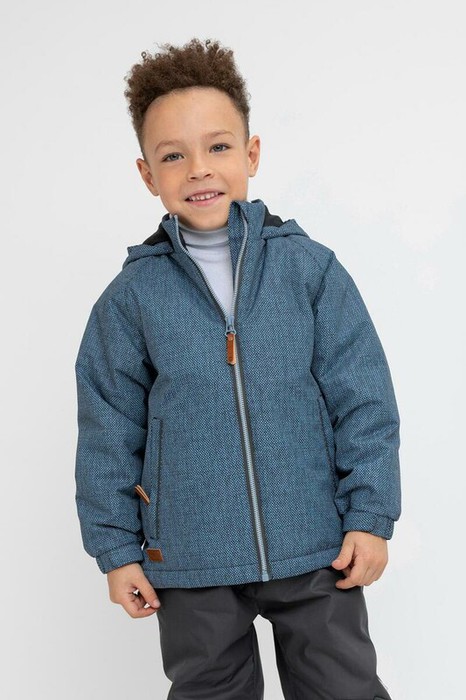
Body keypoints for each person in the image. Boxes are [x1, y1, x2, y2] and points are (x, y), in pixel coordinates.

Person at [74, 37, 400, 700]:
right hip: (191, 558)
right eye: (173, 155)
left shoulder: (310, 271)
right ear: (147, 174)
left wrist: (369, 515)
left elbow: (363, 401)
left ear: (251, 154)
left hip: (317, 546)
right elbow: (107, 431)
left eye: (218, 147)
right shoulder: (131, 300)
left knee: (344, 689)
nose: (199, 169)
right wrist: (117, 552)